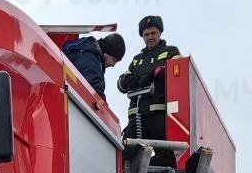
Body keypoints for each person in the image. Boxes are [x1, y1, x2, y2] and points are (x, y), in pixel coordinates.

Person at [116, 15, 181, 162]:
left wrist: (156, 73)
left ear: (160, 33)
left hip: (158, 116)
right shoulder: (137, 59)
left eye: (153, 33)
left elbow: (179, 70)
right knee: (125, 156)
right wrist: (128, 80)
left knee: (165, 156)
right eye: (146, 34)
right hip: (136, 116)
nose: (150, 37)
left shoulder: (170, 52)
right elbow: (120, 84)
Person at [62, 32, 126, 96]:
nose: (113, 65)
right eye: (114, 60)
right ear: (107, 52)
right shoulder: (90, 62)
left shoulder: (89, 54)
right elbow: (96, 93)